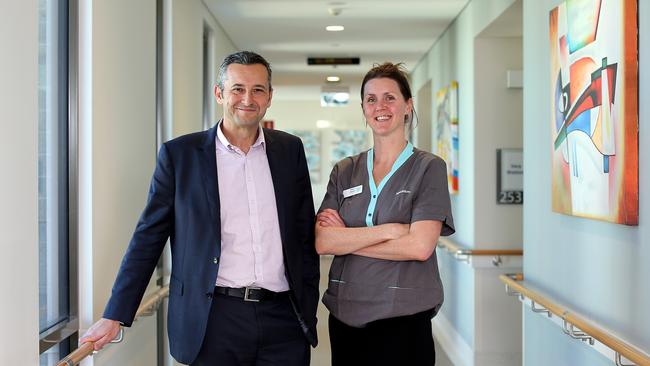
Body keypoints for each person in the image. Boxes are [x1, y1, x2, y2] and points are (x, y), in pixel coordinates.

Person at [80, 51, 319, 366]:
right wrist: (115, 315)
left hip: (283, 318)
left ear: (269, 97)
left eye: (258, 89)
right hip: (213, 320)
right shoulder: (180, 156)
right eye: (237, 89)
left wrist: (308, 304)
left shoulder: (290, 150)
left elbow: (303, 233)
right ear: (220, 93)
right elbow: (148, 237)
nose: (248, 98)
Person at [315, 62, 455, 365]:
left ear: (408, 105)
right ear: (364, 110)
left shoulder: (428, 168)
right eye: (371, 99)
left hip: (402, 321)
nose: (381, 106)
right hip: (345, 318)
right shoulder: (346, 171)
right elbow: (324, 242)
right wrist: (390, 230)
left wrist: (348, 239)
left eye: (390, 97)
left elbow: (419, 247)